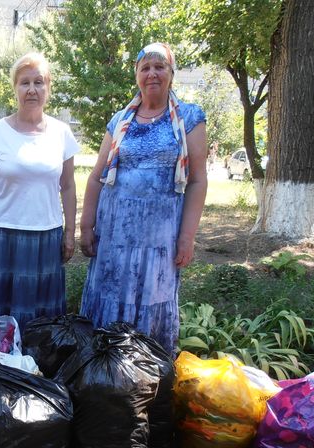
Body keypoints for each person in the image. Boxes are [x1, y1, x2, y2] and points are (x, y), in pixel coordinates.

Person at [79, 42, 208, 354]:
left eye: (160, 66)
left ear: (171, 74)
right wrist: (85, 226)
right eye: (145, 67)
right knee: (109, 304)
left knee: (151, 304)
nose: (152, 73)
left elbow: (198, 180)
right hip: (114, 238)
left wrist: (187, 237)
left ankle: (147, 381)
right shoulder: (120, 120)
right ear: (136, 75)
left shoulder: (189, 117)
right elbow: (97, 176)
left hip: (159, 242)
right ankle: (101, 375)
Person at [0, 52, 80, 330]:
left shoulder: (62, 132)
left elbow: (67, 186)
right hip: (1, 239)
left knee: (41, 323)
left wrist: (69, 233)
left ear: (48, 87)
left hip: (46, 238)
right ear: (15, 88)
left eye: (39, 82)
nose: (32, 89)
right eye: (25, 83)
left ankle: (36, 368)